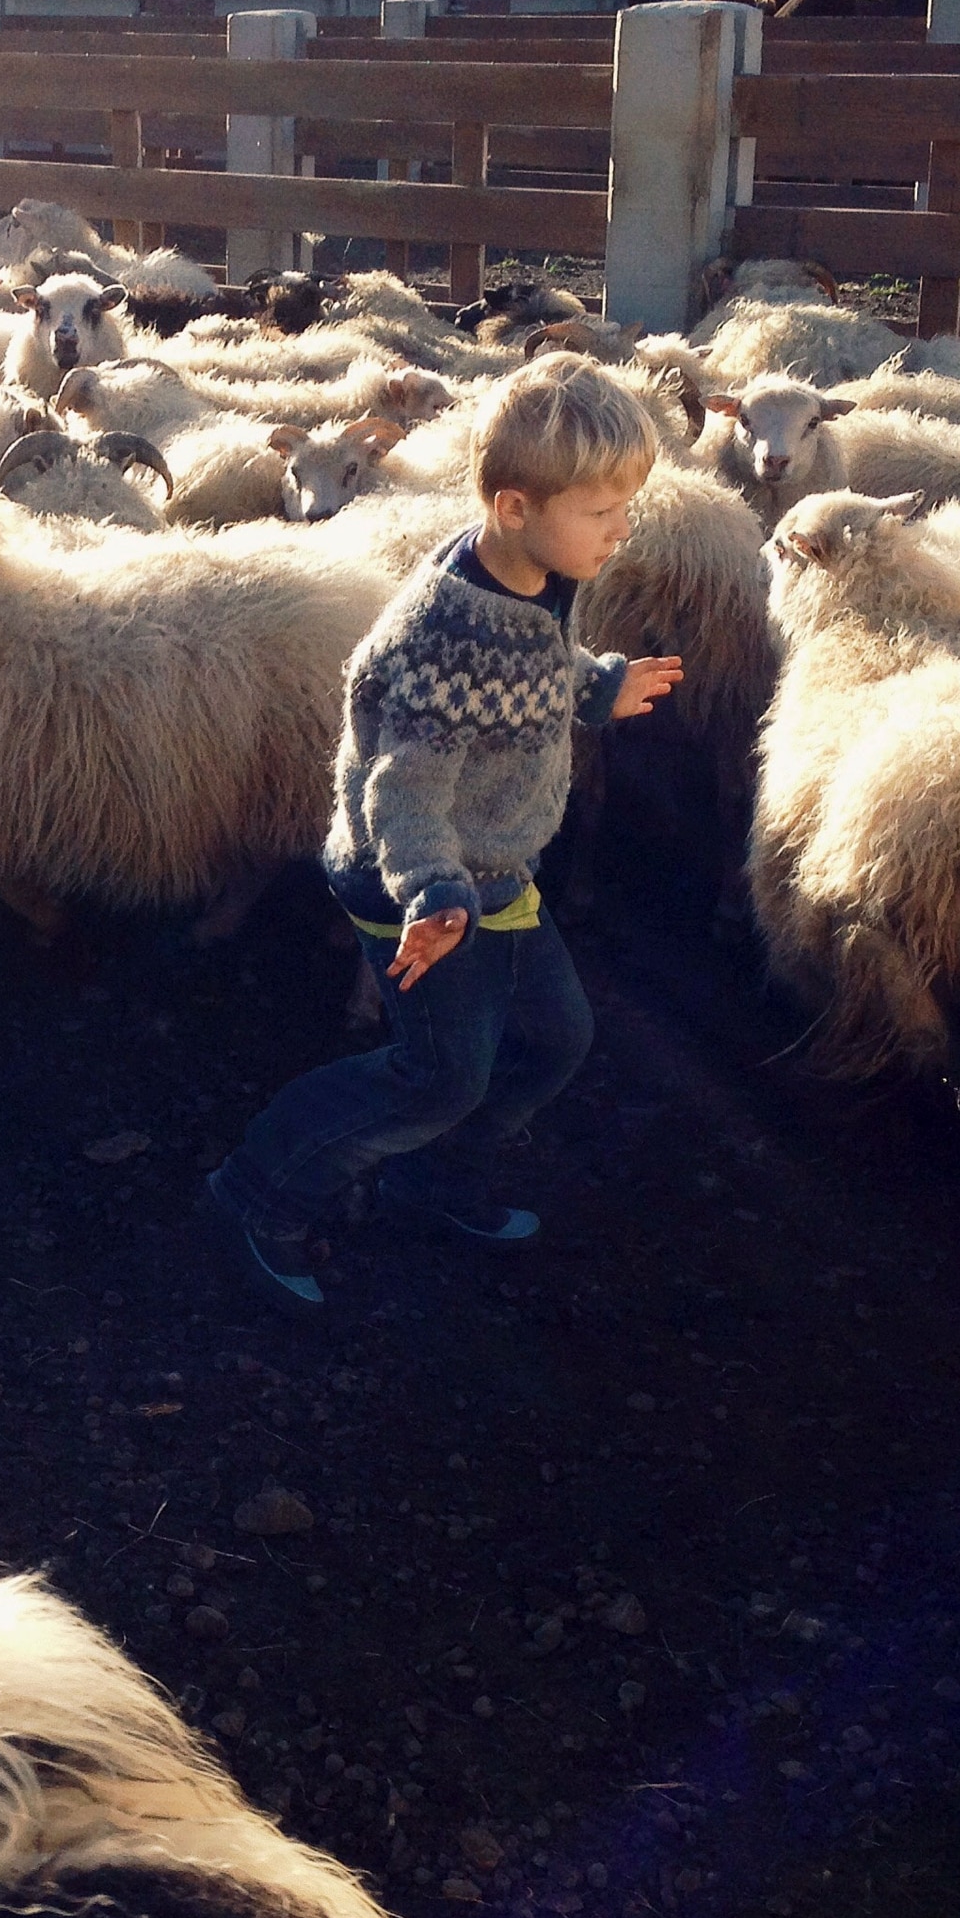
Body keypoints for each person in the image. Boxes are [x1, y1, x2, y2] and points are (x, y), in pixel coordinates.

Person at [201, 353, 684, 1314]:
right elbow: (404, 789)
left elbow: (531, 667)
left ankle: (430, 1184)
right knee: (436, 1077)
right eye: (603, 512)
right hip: (421, 886)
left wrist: (594, 687)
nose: (622, 532)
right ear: (514, 505)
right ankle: (254, 1196)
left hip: (494, 868)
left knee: (554, 1040)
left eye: (626, 505)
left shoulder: (528, 575)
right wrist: (435, 892)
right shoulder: (447, 637)